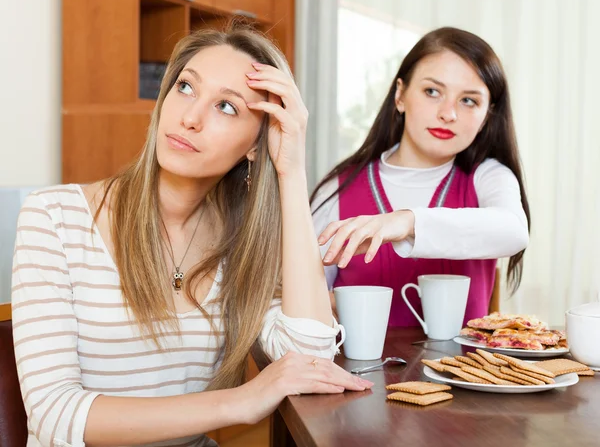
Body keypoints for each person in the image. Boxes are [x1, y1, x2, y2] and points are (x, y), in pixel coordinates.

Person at [12, 28, 372, 447]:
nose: (190, 117)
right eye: (185, 87)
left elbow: (310, 359)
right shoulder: (54, 217)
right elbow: (54, 412)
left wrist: (291, 172)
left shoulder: (243, 246)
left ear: (256, 144)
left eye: (225, 106)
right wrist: (239, 401)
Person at [311, 27, 530, 327]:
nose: (448, 113)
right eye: (432, 92)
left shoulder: (488, 176)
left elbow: (514, 230)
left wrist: (407, 221)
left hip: (466, 374)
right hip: (357, 374)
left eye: (468, 101)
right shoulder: (339, 188)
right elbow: (302, 302)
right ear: (400, 95)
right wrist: (322, 308)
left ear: (487, 117)